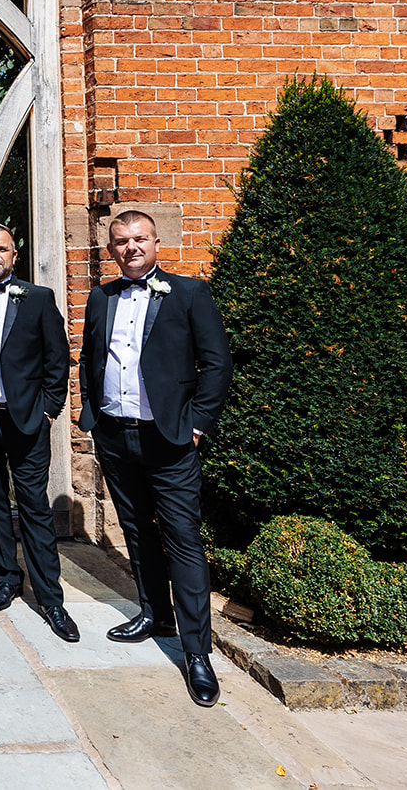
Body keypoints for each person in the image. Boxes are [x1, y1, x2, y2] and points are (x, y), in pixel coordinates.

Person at [78, 209, 233, 706]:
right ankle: (153, 613)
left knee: (183, 540)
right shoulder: (100, 298)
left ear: (156, 242)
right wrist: (91, 414)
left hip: (169, 439)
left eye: (138, 239)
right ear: (110, 249)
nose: (130, 248)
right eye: (120, 241)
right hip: (115, 436)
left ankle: (197, 653)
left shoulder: (188, 294)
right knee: (138, 531)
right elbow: (90, 358)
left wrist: (196, 425)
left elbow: (217, 363)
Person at [0, 223, 77, 642]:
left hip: (26, 421)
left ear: (14, 254)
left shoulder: (39, 299)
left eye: (1, 249)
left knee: (34, 508)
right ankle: (8, 576)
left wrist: (48, 411)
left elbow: (57, 361)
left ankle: (51, 599)